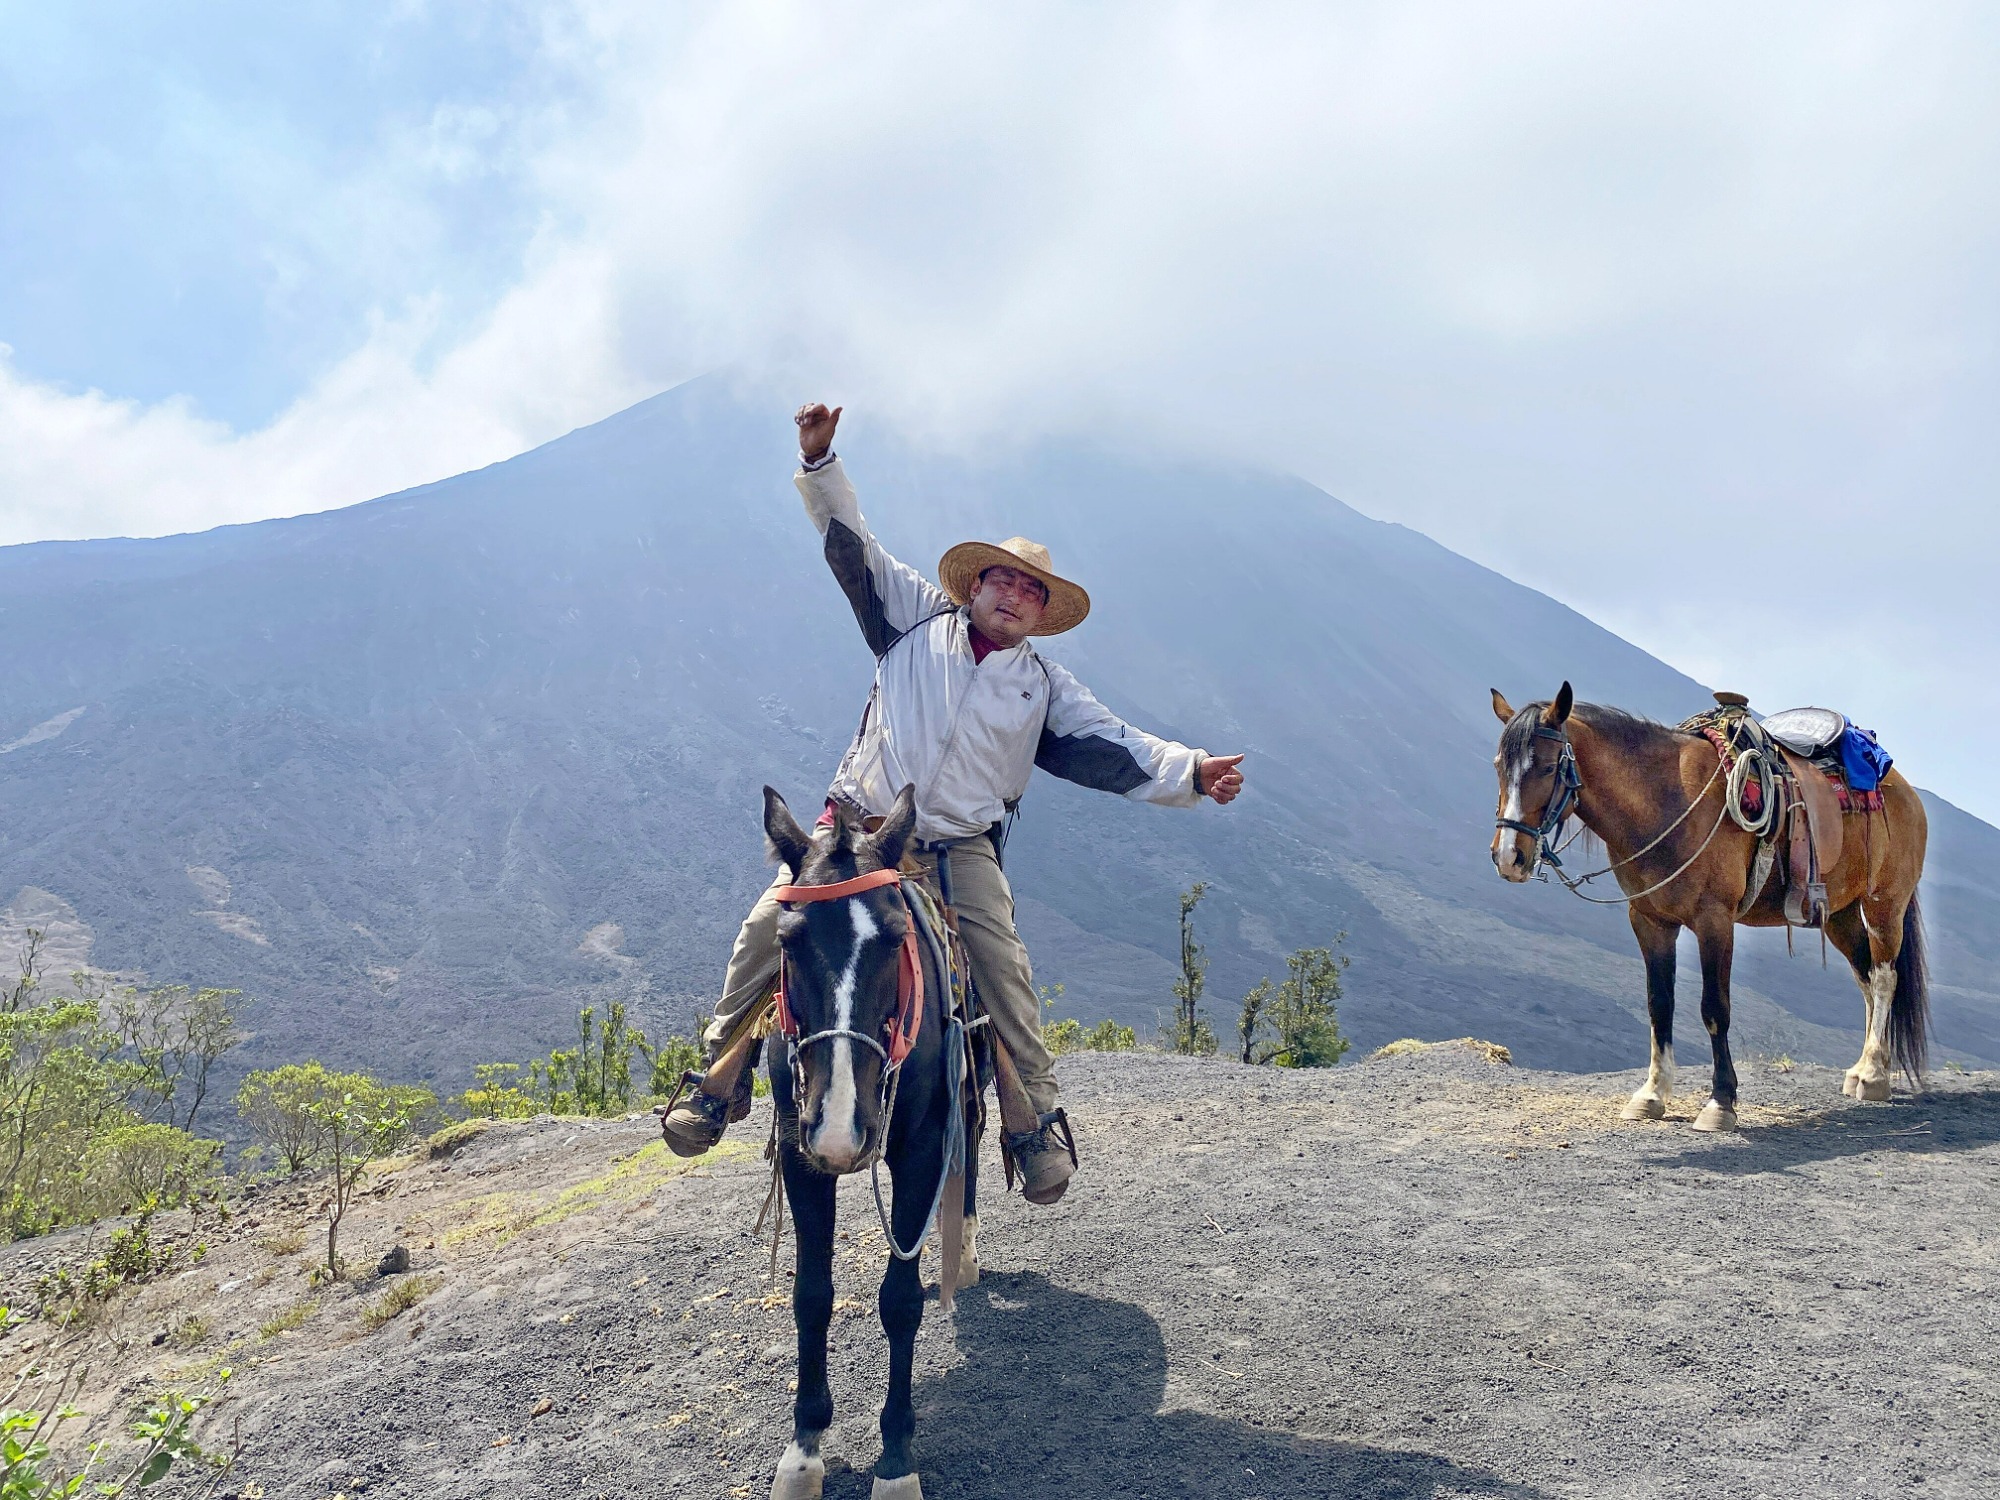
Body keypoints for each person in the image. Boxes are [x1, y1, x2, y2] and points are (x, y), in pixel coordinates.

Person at [662, 402, 1246, 1203]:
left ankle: (1034, 1125)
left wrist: (1194, 770)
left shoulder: (1044, 689)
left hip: (958, 847)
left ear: (1042, 615)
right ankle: (716, 1082)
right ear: (975, 586)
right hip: (857, 830)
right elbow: (853, 547)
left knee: (1003, 971)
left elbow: (1117, 745)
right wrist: (821, 463)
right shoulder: (909, 619)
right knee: (768, 928)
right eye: (1003, 579)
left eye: (1032, 591)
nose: (1015, 595)